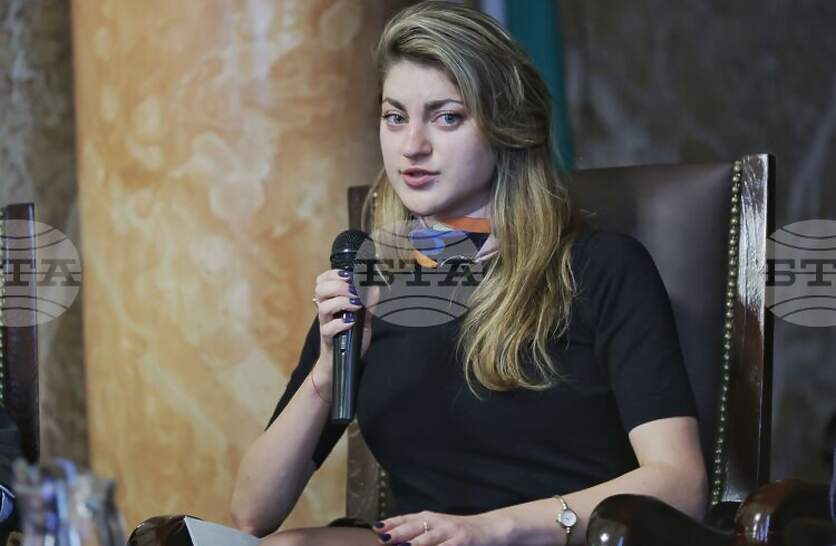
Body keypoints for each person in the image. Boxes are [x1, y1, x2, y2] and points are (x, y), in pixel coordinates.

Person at [230, 2, 707, 545]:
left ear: (506, 128)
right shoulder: (371, 278)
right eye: (395, 117)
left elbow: (680, 484)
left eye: (447, 117)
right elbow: (251, 514)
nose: (412, 146)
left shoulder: (601, 268)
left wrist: (494, 529)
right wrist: (326, 373)